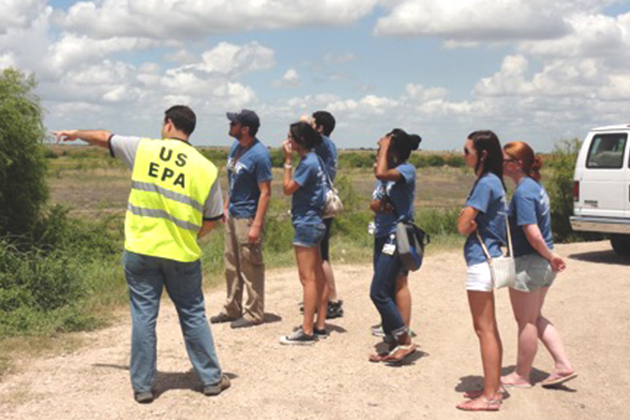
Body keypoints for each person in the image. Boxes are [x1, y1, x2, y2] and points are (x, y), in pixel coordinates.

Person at [53, 106, 230, 404]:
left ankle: (144, 386)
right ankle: (211, 379)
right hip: (181, 254)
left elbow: (103, 137)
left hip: (140, 250)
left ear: (169, 124)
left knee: (144, 317)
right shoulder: (205, 168)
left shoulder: (144, 150)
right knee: (192, 314)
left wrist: (75, 134)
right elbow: (213, 218)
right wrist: (190, 235)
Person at [500, 141, 576, 388]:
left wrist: (550, 256)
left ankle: (522, 375)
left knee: (526, 321)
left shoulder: (523, 192)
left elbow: (532, 232)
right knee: (534, 317)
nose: (501, 164)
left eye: (505, 160)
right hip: (541, 263)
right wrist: (550, 256)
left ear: (517, 164)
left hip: (529, 263)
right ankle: (562, 364)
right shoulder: (536, 187)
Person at [456, 130, 506, 411]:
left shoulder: (485, 184)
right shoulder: (495, 181)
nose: (464, 155)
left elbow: (463, 225)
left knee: (484, 329)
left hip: (480, 261)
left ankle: (490, 396)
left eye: (467, 150)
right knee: (489, 328)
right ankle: (493, 384)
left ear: (482, 154)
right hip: (489, 259)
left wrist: (465, 220)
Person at [210, 109, 272, 329]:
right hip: (233, 213)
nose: (230, 125)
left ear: (245, 128)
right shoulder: (236, 148)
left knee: (250, 265)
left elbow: (265, 192)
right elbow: (233, 179)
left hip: (247, 217)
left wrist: (257, 224)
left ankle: (254, 312)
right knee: (231, 264)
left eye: (233, 123)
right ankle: (232, 308)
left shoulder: (260, 155)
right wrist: (225, 206)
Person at [368, 129, 421, 364]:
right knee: (387, 289)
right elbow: (374, 201)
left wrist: (386, 147)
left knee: (377, 291)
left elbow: (380, 172)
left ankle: (404, 339)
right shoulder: (389, 175)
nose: (379, 150)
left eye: (383, 148)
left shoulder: (406, 170)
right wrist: (380, 206)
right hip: (382, 234)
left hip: (395, 236)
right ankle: (391, 342)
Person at [279, 121, 328, 345]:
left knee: (307, 278)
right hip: (316, 221)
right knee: (318, 274)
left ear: (298, 141)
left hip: (306, 223)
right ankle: (320, 324)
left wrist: (287, 161)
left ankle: (306, 330)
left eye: (290, 138)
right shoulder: (316, 160)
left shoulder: (306, 163)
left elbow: (287, 188)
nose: (287, 141)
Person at [311, 111, 344, 319]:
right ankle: (325, 298)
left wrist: (304, 122)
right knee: (320, 254)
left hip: (320, 205)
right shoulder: (329, 146)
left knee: (321, 255)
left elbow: (304, 132)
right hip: (325, 204)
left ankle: (331, 299)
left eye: (314, 124)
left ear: (320, 128)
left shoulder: (322, 143)